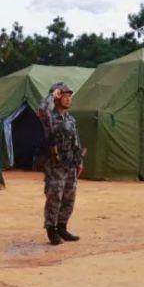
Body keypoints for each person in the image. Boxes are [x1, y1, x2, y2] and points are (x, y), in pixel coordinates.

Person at [38, 82, 84, 245]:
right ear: (57, 97)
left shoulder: (71, 119)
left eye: (69, 95)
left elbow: (76, 141)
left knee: (69, 197)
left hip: (70, 164)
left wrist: (79, 161)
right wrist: (52, 95)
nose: (68, 98)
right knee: (54, 197)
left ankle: (62, 227)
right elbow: (42, 109)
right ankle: (52, 230)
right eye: (64, 95)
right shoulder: (49, 117)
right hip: (55, 165)